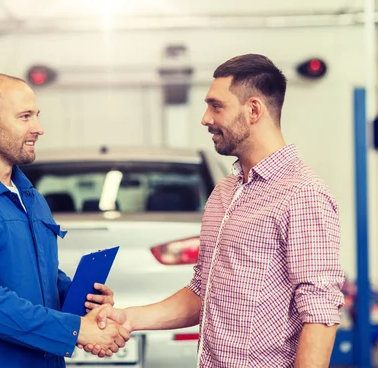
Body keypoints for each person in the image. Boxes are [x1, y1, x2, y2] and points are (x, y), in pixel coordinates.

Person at [87, 54, 345, 367]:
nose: (206, 118)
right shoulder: (226, 192)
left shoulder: (303, 194)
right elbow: (202, 293)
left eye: (216, 106)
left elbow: (320, 311)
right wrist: (127, 317)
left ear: (253, 110)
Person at [0, 73, 129, 368]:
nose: (38, 128)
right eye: (25, 117)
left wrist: (84, 300)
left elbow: (41, 276)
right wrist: (77, 330)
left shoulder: (30, 196)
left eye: (37, 116)